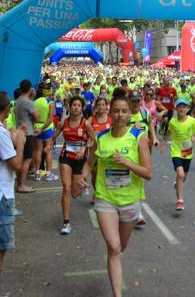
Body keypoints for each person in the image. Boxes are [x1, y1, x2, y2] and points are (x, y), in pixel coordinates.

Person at [79, 88, 152, 297]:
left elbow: (148, 173)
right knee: (113, 246)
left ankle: (117, 258)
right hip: (105, 198)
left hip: (130, 201)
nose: (120, 115)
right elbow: (89, 162)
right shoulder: (101, 137)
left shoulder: (139, 137)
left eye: (124, 111)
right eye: (116, 111)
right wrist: (83, 177)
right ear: (109, 113)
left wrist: (128, 163)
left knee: (121, 246)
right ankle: (117, 294)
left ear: (130, 114)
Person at [49, 96, 95, 235]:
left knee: (75, 193)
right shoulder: (64, 122)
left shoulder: (85, 123)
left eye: (78, 105)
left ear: (82, 108)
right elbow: (54, 136)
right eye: (73, 105)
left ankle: (81, 185)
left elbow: (93, 139)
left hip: (80, 159)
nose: (75, 107)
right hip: (66, 157)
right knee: (66, 188)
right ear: (69, 107)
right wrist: (49, 144)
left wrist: (84, 148)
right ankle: (66, 222)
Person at [0, 91, 26, 275]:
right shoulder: (1, 133)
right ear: (7, 109)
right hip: (2, 194)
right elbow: (16, 164)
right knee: (2, 244)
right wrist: (20, 142)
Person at [161, 98, 195, 211]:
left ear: (187, 109)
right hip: (176, 152)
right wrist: (164, 144)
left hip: (187, 153)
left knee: (183, 177)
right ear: (176, 108)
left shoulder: (191, 120)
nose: (181, 109)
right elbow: (168, 133)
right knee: (180, 174)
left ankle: (177, 185)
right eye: (179, 107)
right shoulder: (173, 121)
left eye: (184, 107)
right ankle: (180, 200)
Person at [15, 79, 40, 193]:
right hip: (28, 133)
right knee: (27, 159)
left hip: (19, 132)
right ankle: (22, 185)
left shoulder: (18, 100)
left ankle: (19, 183)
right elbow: (37, 118)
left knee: (20, 159)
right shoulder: (29, 102)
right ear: (30, 89)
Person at [87, 97, 112, 205]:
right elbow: (84, 130)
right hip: (94, 152)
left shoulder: (111, 119)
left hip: (107, 152)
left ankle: (105, 194)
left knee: (107, 174)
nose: (101, 107)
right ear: (96, 107)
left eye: (103, 105)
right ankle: (97, 191)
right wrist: (91, 137)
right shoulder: (91, 119)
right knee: (94, 174)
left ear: (106, 106)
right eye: (99, 105)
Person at [32, 81, 57, 181]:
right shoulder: (50, 102)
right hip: (47, 128)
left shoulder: (35, 101)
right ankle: (48, 174)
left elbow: (33, 117)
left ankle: (37, 173)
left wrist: (38, 128)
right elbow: (50, 119)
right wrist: (42, 128)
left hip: (37, 127)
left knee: (38, 150)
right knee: (48, 151)